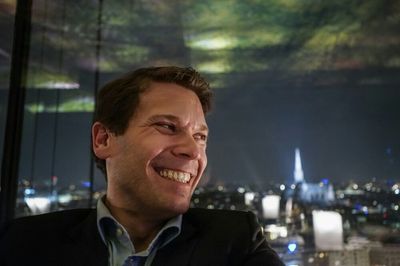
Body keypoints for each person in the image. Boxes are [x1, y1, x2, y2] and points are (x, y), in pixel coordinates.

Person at [0, 66, 284, 266]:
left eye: (200, 136)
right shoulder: (25, 242)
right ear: (103, 139)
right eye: (166, 125)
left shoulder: (236, 241)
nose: (192, 150)